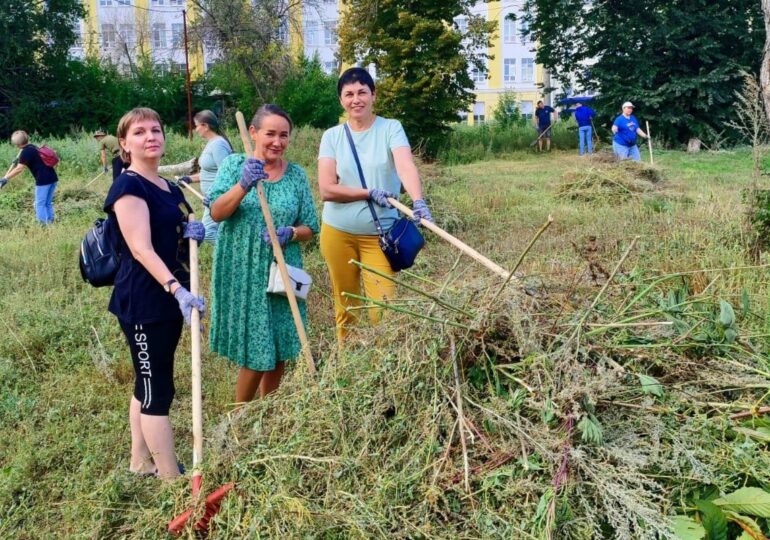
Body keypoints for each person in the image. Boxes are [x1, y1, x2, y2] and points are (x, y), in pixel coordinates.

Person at [104, 107, 206, 479]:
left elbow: (177, 234)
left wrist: (191, 232)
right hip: (146, 302)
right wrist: (178, 290)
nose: (151, 137)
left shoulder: (167, 185)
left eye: (156, 130)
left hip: (170, 300)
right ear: (125, 144)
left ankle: (139, 460)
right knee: (157, 390)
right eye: (140, 132)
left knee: (147, 379)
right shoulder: (128, 186)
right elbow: (141, 249)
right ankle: (171, 480)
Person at [209, 104, 319, 404]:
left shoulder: (296, 175)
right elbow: (217, 213)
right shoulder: (234, 165)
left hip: (282, 269)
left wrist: (291, 234)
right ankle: (239, 415)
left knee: (281, 343)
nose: (277, 142)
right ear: (254, 133)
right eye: (270, 133)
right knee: (257, 349)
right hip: (242, 267)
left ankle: (266, 409)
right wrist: (244, 184)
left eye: (284, 135)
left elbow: (311, 225)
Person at [317, 67, 433, 341]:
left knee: (384, 309)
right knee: (346, 307)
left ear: (373, 95)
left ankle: (384, 368)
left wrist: (418, 200)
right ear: (341, 100)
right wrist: (368, 192)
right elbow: (326, 189)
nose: (355, 99)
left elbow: (405, 166)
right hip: (337, 233)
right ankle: (346, 367)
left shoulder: (390, 128)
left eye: (362, 92)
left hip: (381, 237)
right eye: (349, 94)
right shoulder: (331, 136)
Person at [177, 110, 233, 244]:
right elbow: (209, 172)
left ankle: (234, 253)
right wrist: (189, 179)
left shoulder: (218, 144)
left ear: (205, 126)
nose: (195, 130)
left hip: (218, 200)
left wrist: (216, 195)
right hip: (212, 200)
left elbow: (228, 174)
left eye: (197, 126)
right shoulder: (212, 143)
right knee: (222, 231)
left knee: (208, 233)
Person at [1, 131, 59, 224]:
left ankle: (44, 226)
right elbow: (27, 160)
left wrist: (5, 178)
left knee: (39, 204)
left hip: (43, 181)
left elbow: (19, 169)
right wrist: (18, 160)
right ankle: (50, 223)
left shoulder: (26, 152)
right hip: (52, 178)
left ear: (17, 144)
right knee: (47, 203)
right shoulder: (33, 147)